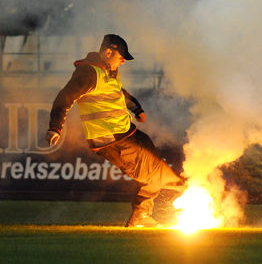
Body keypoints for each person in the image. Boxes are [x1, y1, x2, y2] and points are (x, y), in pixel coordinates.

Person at [46, 34, 187, 227]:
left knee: (153, 165)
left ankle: (142, 215)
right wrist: (55, 127)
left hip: (126, 132)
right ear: (108, 52)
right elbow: (64, 98)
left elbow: (118, 92)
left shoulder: (109, 72)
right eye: (121, 57)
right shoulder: (88, 73)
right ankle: (186, 188)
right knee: (154, 171)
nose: (123, 61)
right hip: (112, 139)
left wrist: (136, 107)